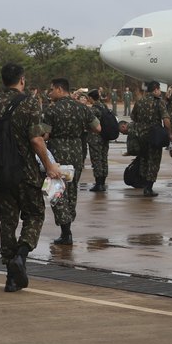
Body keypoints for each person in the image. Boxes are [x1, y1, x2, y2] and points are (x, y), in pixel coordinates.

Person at [0, 64, 59, 292]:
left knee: (7, 221)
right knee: (34, 214)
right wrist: (50, 166)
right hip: (25, 173)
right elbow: (36, 139)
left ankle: (11, 277)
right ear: (22, 80)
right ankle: (21, 256)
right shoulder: (29, 102)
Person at [45, 78, 101, 245]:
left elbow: (45, 135)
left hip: (57, 152)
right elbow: (98, 128)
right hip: (77, 151)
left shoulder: (52, 110)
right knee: (72, 188)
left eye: (52, 90)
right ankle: (68, 223)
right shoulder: (82, 108)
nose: (50, 93)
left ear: (60, 89)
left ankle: (65, 230)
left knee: (56, 188)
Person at [130, 81, 172, 196]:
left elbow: (133, 116)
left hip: (141, 135)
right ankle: (148, 187)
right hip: (154, 136)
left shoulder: (140, 101)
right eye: (159, 90)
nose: (160, 92)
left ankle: (144, 183)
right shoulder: (159, 102)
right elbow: (166, 119)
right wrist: (169, 133)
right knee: (154, 161)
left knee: (144, 159)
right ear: (155, 90)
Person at [87, 90, 111, 192]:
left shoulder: (93, 110)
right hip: (105, 137)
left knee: (96, 160)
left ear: (91, 98)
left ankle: (98, 184)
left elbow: (89, 123)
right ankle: (103, 182)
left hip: (95, 137)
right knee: (104, 159)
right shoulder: (104, 106)